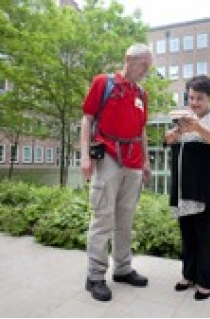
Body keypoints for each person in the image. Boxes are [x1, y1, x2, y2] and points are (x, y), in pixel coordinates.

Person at [80, 43, 153, 302]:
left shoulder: (142, 94)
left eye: (149, 66)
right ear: (128, 59)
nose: (146, 70)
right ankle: (95, 277)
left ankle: (122, 269)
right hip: (109, 157)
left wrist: (145, 161)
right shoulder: (104, 83)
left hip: (133, 162)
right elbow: (88, 119)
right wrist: (85, 155)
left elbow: (142, 130)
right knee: (102, 218)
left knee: (126, 219)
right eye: (143, 64)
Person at [164, 75, 210, 301]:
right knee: (188, 236)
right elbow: (169, 142)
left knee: (206, 238)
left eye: (199, 98)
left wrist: (197, 128)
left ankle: (206, 282)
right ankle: (189, 275)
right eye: (191, 97)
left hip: (208, 193)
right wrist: (175, 134)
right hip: (184, 192)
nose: (194, 102)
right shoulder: (183, 120)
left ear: (209, 97)